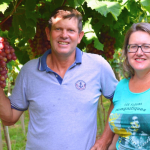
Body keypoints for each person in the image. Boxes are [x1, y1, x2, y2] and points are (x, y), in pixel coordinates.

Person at [0, 6, 118, 150]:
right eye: (58, 29)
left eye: (71, 30)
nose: (64, 35)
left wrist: (105, 139)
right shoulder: (29, 71)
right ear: (48, 33)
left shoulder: (97, 65)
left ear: (80, 36)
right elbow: (9, 119)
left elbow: (119, 101)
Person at [108, 22, 150, 150]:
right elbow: (121, 133)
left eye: (146, 46)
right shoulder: (121, 86)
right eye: (133, 47)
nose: (139, 52)